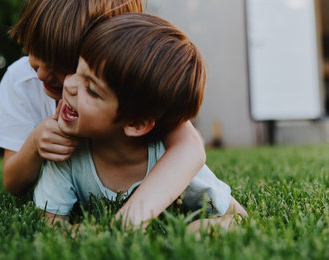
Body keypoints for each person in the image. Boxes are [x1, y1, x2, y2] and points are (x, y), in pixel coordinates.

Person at [0, 0, 207, 226]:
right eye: (34, 52)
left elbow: (190, 149)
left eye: (60, 64)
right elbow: (13, 182)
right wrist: (35, 144)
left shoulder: (129, 88)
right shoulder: (21, 80)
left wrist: (132, 217)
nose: (42, 73)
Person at [33, 13, 247, 228]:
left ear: (136, 124)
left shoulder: (169, 160)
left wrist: (203, 229)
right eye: (76, 71)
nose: (69, 85)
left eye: (91, 89)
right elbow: (49, 224)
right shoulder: (65, 153)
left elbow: (238, 216)